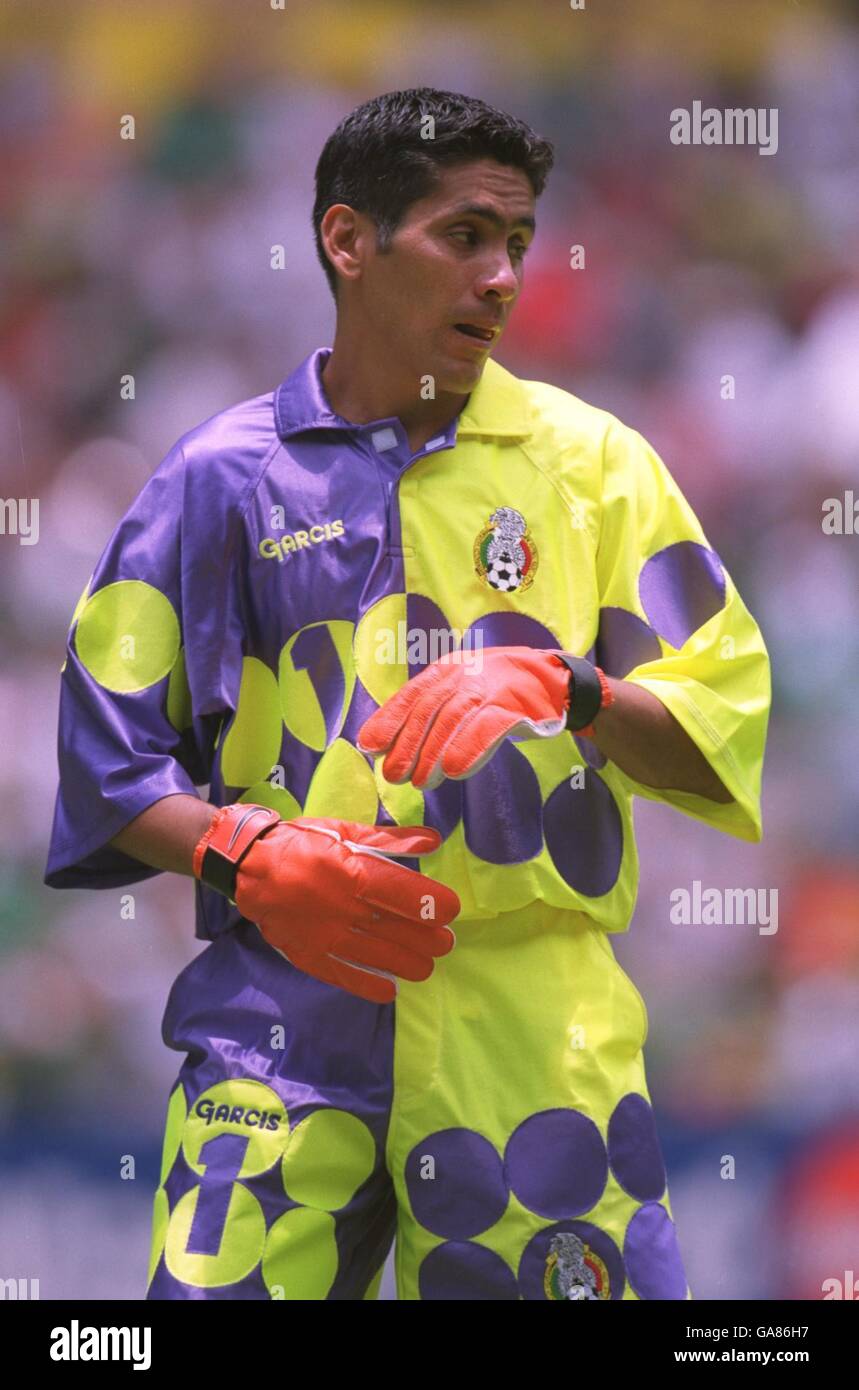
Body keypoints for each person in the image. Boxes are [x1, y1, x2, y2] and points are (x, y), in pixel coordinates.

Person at [44, 87, 771, 1301]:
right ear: (347, 240)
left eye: (518, 243)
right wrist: (244, 855)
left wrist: (572, 686)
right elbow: (105, 766)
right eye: (465, 236)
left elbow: (723, 729)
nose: (501, 277)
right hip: (275, 1019)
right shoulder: (214, 480)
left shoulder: (597, 466)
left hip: (539, 1035)